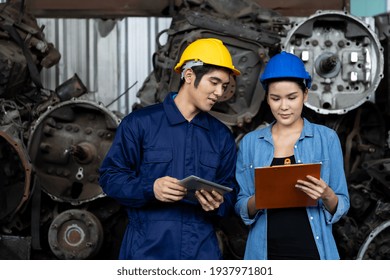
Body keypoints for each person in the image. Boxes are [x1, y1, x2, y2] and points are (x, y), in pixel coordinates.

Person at [99, 38, 240, 260]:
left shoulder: (221, 136)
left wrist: (220, 203)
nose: (219, 92)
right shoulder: (140, 123)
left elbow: (231, 191)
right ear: (189, 75)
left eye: (224, 85)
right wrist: (150, 188)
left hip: (201, 252)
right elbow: (110, 178)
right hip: (146, 251)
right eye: (213, 82)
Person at [234, 51, 350, 260]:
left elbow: (341, 203)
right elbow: (242, 205)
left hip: (314, 254)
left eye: (292, 97)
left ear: (305, 95)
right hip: (265, 255)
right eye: (275, 98)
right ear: (267, 98)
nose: (284, 106)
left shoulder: (326, 139)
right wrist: (257, 200)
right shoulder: (251, 143)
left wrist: (327, 194)